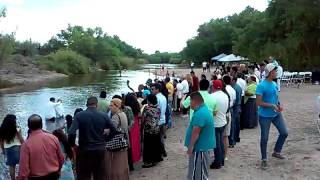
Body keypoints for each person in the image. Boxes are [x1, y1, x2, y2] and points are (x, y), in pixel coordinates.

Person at [68, 97, 115, 180]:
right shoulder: (103, 115)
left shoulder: (79, 115)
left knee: (84, 175)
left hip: (84, 150)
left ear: (86, 105)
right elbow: (113, 129)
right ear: (96, 105)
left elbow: (71, 132)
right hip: (99, 149)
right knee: (99, 174)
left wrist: (72, 145)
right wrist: (106, 139)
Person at [256, 63, 288, 170]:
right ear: (270, 72)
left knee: (284, 133)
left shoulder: (274, 84)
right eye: (275, 70)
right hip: (264, 116)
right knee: (264, 138)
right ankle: (264, 159)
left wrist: (279, 105)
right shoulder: (261, 85)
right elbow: (258, 102)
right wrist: (272, 105)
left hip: (276, 114)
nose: (277, 72)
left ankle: (276, 151)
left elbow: (275, 98)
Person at [19, 114, 64, 179]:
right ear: (42, 125)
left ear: (28, 126)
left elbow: (23, 171)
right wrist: (58, 170)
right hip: (53, 175)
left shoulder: (26, 145)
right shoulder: (53, 138)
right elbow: (61, 158)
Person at [185, 92, 215, 180]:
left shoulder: (200, 114)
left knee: (197, 174)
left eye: (190, 101)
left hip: (199, 149)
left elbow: (196, 132)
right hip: (202, 148)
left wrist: (190, 147)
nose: (189, 103)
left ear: (194, 101)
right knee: (200, 172)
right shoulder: (203, 110)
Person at [106, 98, 129, 180]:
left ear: (117, 106)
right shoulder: (123, 114)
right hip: (123, 142)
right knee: (122, 164)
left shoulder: (115, 117)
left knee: (115, 165)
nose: (110, 107)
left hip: (116, 144)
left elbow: (112, 130)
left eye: (111, 106)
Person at [210, 80, 228, 169]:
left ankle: (217, 163)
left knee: (216, 144)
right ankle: (221, 160)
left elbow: (211, 110)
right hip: (223, 121)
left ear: (213, 87)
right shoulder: (225, 95)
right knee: (220, 142)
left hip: (216, 123)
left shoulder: (212, 96)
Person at [141, 94, 162, 168]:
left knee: (148, 146)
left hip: (149, 129)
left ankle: (148, 162)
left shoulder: (147, 109)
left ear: (149, 100)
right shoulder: (158, 108)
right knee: (155, 144)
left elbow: (142, 119)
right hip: (156, 128)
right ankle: (155, 159)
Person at [0, 114, 24, 180]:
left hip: (8, 149)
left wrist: (3, 150)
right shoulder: (17, 128)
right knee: (21, 164)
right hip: (17, 148)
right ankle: (20, 177)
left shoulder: (2, 129)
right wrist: (25, 146)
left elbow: (1, 141)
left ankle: (13, 179)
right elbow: (21, 139)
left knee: (11, 166)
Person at [123, 94, 141, 167]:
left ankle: (130, 159)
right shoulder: (137, 106)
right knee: (136, 141)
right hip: (136, 124)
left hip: (129, 124)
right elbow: (139, 115)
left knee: (130, 141)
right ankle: (136, 157)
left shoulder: (126, 108)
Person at [151, 83, 167, 157]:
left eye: (153, 89)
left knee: (158, 138)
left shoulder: (157, 98)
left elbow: (157, 110)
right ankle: (163, 152)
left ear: (157, 89)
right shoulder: (163, 97)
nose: (151, 91)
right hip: (162, 119)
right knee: (160, 137)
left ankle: (161, 152)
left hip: (158, 120)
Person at [229, 76, 242, 147]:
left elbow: (235, 100)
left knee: (233, 124)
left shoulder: (234, 88)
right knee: (237, 124)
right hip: (238, 107)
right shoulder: (238, 87)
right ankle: (237, 138)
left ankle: (233, 141)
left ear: (233, 80)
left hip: (235, 107)